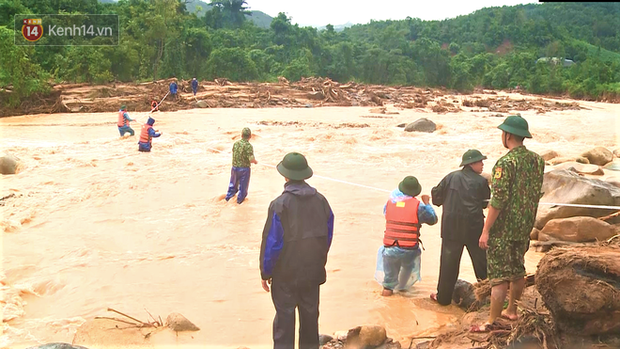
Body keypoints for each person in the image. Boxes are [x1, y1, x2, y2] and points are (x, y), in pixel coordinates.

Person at [471, 115, 544, 332]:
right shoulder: (537, 160)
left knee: (499, 276)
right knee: (517, 268)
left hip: (503, 229)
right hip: (524, 225)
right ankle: (512, 310)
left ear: (508, 135)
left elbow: (498, 200)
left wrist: (486, 230)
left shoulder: (505, 163)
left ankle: (491, 321)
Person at [259, 152, 334, 349]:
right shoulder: (322, 201)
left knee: (284, 320)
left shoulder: (279, 205)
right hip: (312, 271)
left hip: (285, 274)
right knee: (310, 318)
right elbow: (327, 236)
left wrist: (265, 272)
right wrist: (318, 260)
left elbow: (272, 243)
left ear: (285, 176)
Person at [430, 149, 491, 305]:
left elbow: (436, 198)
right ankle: (489, 298)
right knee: (482, 264)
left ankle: (443, 299)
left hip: (451, 229)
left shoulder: (450, 177)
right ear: (471, 164)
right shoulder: (481, 182)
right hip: (474, 229)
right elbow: (485, 203)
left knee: (448, 265)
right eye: (480, 161)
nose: (483, 164)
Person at [379, 176, 438, 297]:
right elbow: (433, 220)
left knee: (388, 285)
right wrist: (427, 203)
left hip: (389, 248)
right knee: (406, 270)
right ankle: (402, 291)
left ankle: (387, 300)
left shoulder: (390, 203)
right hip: (409, 249)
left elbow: (386, 213)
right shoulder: (419, 206)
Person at [224, 127, 257, 204]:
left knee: (232, 186)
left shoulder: (235, 144)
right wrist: (255, 162)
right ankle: (239, 203)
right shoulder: (248, 146)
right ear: (250, 136)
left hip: (234, 168)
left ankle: (228, 199)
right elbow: (251, 159)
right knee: (243, 189)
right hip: (244, 170)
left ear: (241, 135)